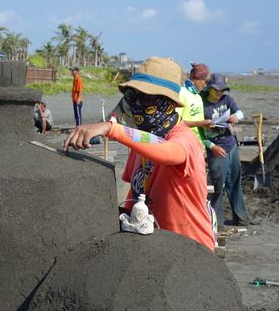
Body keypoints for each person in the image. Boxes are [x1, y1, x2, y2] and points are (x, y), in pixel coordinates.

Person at [64, 57, 215, 251]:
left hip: (191, 248)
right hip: (155, 247)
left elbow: (168, 152)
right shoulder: (140, 142)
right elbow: (136, 194)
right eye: (132, 96)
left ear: (168, 103)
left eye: (146, 98)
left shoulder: (185, 139)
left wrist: (112, 129)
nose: (137, 104)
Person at [200, 74, 249, 228]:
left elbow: (240, 113)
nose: (220, 93)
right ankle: (217, 222)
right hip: (215, 149)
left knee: (235, 181)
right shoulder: (201, 103)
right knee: (217, 186)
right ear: (210, 88)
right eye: (216, 90)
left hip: (231, 145)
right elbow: (199, 133)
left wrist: (235, 116)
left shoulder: (226, 100)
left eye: (222, 90)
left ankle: (240, 217)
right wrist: (212, 147)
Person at [177, 63, 215, 147]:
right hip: (185, 144)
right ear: (197, 78)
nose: (205, 85)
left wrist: (210, 145)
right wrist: (201, 123)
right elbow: (176, 123)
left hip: (198, 145)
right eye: (205, 82)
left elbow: (200, 127)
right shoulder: (181, 93)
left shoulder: (198, 97)